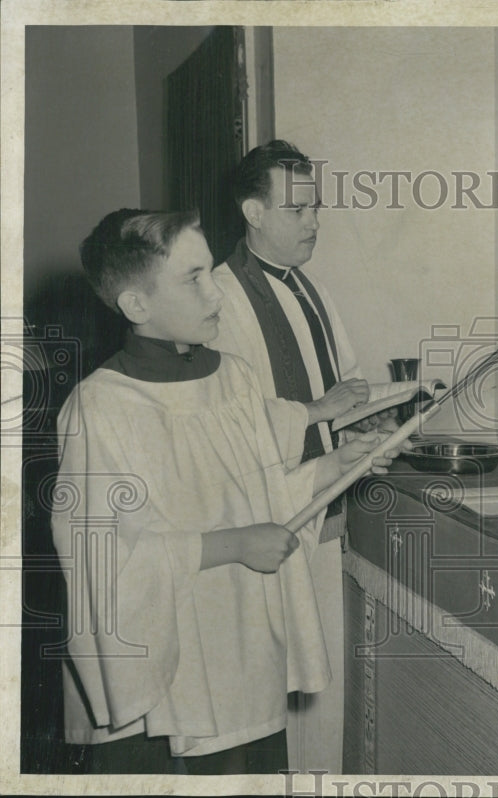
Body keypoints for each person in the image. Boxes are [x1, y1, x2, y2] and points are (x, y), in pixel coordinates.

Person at [51, 209, 402, 774]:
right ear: (137, 306)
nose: (216, 293)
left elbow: (261, 501)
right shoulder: (101, 407)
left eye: (212, 271)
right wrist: (235, 546)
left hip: (244, 656)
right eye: (193, 279)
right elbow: (104, 566)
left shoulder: (234, 377)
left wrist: (337, 465)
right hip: (164, 694)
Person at [210, 140, 385, 773]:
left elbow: (345, 388)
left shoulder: (312, 290)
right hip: (268, 520)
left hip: (325, 513)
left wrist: (377, 416)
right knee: (273, 686)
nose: (314, 223)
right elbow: (223, 423)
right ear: (253, 212)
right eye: (298, 210)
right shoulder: (222, 298)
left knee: (321, 682)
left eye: (316, 208)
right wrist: (323, 410)